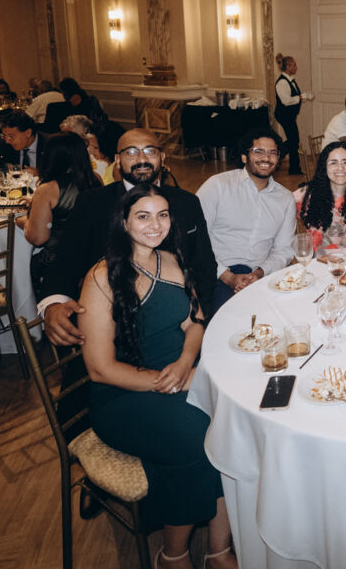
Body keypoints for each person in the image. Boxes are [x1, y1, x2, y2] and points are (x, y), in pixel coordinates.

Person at [78, 185, 237, 569]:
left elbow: (195, 321)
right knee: (198, 440)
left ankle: (218, 551)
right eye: (143, 216)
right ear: (124, 222)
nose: (155, 224)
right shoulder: (101, 278)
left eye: (162, 215)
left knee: (235, 428)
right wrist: (167, 381)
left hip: (177, 376)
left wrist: (184, 363)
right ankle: (172, 555)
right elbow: (100, 368)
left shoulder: (171, 260)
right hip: (123, 395)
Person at [41, 129, 218, 347]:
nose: (142, 159)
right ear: (117, 159)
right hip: (113, 326)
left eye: (150, 151)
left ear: (162, 157)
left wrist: (198, 320)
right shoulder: (92, 203)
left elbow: (204, 265)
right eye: (131, 152)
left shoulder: (187, 202)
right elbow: (66, 260)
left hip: (181, 319)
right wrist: (53, 304)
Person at [196, 128, 295, 313]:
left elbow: (284, 249)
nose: (266, 158)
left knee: (288, 313)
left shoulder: (285, 198)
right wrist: (227, 276)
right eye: (259, 151)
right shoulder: (218, 186)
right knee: (232, 316)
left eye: (273, 153)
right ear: (244, 157)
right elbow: (196, 239)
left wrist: (260, 273)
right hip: (217, 272)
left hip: (261, 274)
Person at [20, 133, 101, 297]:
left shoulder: (48, 189)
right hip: (91, 258)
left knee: (21, 265)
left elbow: (38, 238)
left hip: (58, 263)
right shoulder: (95, 179)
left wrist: (23, 220)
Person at [295, 141, 346, 252]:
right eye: (333, 163)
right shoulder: (307, 195)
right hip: (320, 261)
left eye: (345, 162)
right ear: (324, 167)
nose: (340, 168)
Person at [273, 54, 313, 176]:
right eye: (294, 65)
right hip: (283, 115)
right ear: (288, 67)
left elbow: (293, 97)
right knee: (294, 140)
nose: (296, 67)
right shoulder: (282, 82)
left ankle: (277, 155)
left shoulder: (290, 79)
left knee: (293, 140)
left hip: (289, 115)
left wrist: (305, 97)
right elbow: (286, 101)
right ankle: (294, 168)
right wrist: (302, 96)